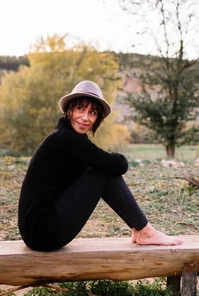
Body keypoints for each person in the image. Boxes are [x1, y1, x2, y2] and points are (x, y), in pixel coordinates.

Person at [18, 80, 182, 251]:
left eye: (92, 112)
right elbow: (119, 165)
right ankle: (145, 231)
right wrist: (110, 158)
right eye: (80, 109)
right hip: (43, 232)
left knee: (102, 169)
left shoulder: (67, 136)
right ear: (70, 109)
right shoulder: (66, 139)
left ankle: (140, 229)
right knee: (104, 172)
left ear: (97, 118)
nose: (85, 118)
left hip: (38, 231)